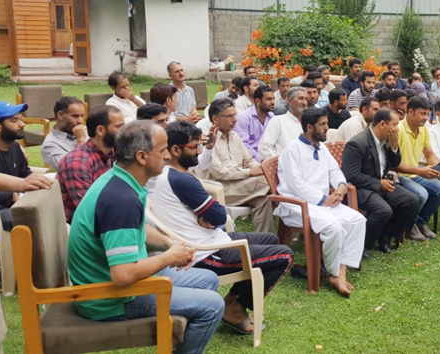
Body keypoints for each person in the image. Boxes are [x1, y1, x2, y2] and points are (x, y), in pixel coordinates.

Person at [67, 121, 224, 354]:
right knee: (212, 306)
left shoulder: (121, 180)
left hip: (117, 285)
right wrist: (169, 257)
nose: (168, 155)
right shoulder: (121, 199)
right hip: (109, 299)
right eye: (162, 150)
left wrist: (169, 244)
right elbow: (123, 274)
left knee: (208, 280)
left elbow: (137, 228)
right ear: (142, 156)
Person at [152, 121, 292, 333]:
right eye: (194, 147)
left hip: (208, 239)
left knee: (270, 240)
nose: (199, 151)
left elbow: (215, 215)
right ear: (175, 150)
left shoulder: (165, 174)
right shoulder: (181, 180)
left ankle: (230, 302)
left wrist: (208, 215)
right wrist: (210, 214)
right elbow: (218, 214)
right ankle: (237, 309)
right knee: (284, 255)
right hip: (205, 254)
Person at [276, 108, 367, 296]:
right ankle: (333, 273)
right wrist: (324, 199)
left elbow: (334, 171)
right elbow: (296, 185)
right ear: (309, 127)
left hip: (324, 204)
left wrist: (341, 187)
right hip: (297, 204)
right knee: (334, 227)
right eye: (323, 124)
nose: (327, 128)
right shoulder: (292, 149)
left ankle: (339, 273)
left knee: (358, 221)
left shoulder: (321, 147)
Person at [342, 109, 420, 253]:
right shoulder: (358, 143)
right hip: (361, 187)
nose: (397, 129)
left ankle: (385, 235)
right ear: (383, 124)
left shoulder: (385, 141)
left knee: (412, 200)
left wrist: (394, 146)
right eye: (395, 125)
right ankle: (362, 244)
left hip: (381, 183)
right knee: (383, 210)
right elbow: (351, 175)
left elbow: (395, 164)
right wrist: (378, 184)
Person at [206, 98, 273, 233]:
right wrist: (250, 173)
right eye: (229, 116)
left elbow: (248, 161)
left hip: (241, 184)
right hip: (220, 189)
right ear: (215, 119)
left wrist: (259, 168)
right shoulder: (208, 141)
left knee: (264, 199)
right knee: (268, 182)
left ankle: (265, 240)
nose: (235, 120)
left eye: (235, 115)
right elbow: (220, 173)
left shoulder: (235, 136)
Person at [57, 105, 124, 223]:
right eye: (119, 127)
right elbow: (89, 210)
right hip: (84, 230)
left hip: (108, 217)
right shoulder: (77, 162)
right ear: (100, 130)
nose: (124, 132)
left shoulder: (112, 153)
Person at [396, 97, 440, 241]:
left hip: (415, 174)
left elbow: (429, 153)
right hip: (399, 175)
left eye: (427, 114)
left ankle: (420, 221)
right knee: (422, 194)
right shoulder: (398, 129)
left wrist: (436, 167)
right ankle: (409, 225)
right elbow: (393, 164)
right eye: (422, 114)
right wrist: (420, 171)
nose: (426, 118)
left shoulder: (424, 130)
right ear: (410, 112)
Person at [0, 102, 31, 231]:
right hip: (1, 208)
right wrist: (11, 196)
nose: (22, 124)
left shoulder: (15, 146)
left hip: (17, 201)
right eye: (14, 120)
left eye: (21, 119)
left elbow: (25, 173)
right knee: (22, 219)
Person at [258, 87, 307, 161]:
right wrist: (281, 163)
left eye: (306, 99)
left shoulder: (309, 123)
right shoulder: (278, 121)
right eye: (301, 98)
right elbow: (264, 147)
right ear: (290, 101)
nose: (304, 103)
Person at [41, 96, 86, 170]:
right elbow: (73, 169)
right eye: (75, 116)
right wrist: (81, 141)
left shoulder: (87, 131)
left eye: (82, 116)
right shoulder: (50, 144)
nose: (80, 121)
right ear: (60, 115)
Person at [234, 85, 275, 162]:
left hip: (268, 158)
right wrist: (260, 160)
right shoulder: (244, 118)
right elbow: (243, 145)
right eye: (269, 99)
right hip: (249, 160)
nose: (273, 102)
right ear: (258, 101)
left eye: (273, 99)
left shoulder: (272, 117)